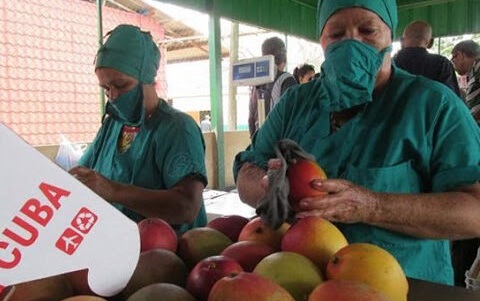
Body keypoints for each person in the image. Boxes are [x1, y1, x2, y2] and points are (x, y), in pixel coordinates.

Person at [234, 0, 480, 286]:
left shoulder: (434, 105)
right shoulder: (296, 103)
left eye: (367, 30)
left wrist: (371, 206)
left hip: (402, 285)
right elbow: (246, 173)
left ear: (391, 36)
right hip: (302, 283)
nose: (352, 44)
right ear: (322, 40)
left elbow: (473, 211)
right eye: (337, 34)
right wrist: (268, 188)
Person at [69, 24, 208, 233]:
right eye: (106, 89)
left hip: (170, 256)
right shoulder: (112, 125)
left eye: (121, 85)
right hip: (118, 249)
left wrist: (113, 190)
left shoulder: (178, 128)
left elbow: (186, 206)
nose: (113, 95)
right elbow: (84, 177)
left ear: (147, 78)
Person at [394, 20, 461, 96]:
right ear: (431, 42)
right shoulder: (442, 64)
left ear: (401, 41)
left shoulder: (389, 64)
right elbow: (452, 101)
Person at [248, 37, 297, 137]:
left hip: (260, 141)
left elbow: (251, 119)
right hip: (280, 143)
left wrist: (255, 142)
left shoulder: (256, 84)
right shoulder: (286, 79)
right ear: (284, 57)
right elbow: (292, 116)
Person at [451, 40, 480, 122]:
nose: (454, 64)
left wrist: (468, 120)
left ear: (461, 55)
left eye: (453, 60)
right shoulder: (474, 70)